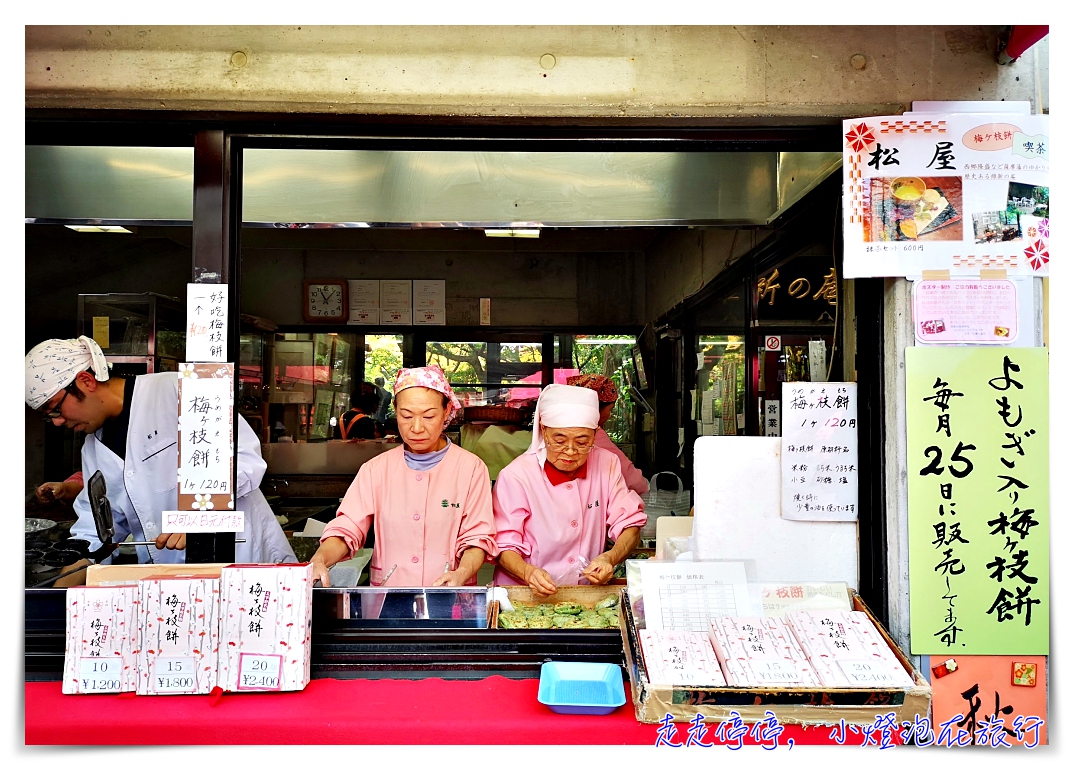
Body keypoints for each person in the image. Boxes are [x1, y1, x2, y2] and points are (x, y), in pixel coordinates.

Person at [25, 336, 296, 574]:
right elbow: (97, 527)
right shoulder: (94, 448)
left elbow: (246, 461)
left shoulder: (177, 391)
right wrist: (61, 586)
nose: (58, 422)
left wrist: (198, 515)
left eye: (56, 409)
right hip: (169, 578)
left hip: (243, 563)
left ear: (86, 381)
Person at [311, 365, 496, 587]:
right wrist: (320, 559)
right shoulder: (375, 470)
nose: (416, 428)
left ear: (447, 411)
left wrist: (462, 573)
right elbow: (347, 527)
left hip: (451, 597)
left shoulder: (471, 468)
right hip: (389, 596)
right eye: (406, 416)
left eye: (429, 416)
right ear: (395, 410)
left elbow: (477, 537)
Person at [492, 384, 645, 596]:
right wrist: (527, 572)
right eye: (559, 440)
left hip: (584, 594)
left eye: (583, 442)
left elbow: (630, 523)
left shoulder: (606, 463)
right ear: (544, 431)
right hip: (525, 593)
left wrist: (610, 557)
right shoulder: (517, 476)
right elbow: (503, 544)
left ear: (595, 434)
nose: (570, 451)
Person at [566, 373, 649, 495]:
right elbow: (633, 480)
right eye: (609, 410)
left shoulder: (557, 430)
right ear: (596, 408)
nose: (609, 416)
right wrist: (645, 485)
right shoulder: (594, 435)